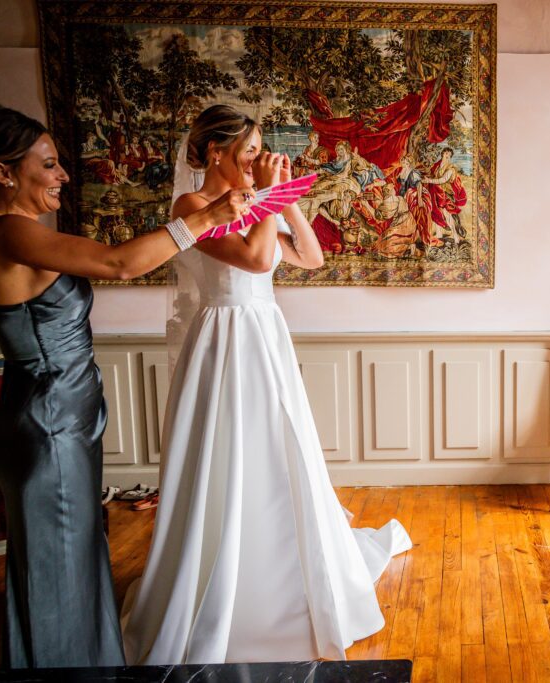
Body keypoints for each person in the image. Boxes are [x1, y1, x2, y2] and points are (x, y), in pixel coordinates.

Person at [120, 104, 412, 665]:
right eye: (249, 150)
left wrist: (289, 202)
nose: (258, 160)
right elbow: (255, 260)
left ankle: (292, 577)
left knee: (280, 450)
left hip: (264, 335)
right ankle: (218, 585)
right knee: (224, 453)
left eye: (258, 150)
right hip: (222, 337)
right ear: (215, 153)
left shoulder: (257, 204)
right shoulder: (192, 206)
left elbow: (312, 257)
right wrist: (270, 199)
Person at [0, 103, 249, 668]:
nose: (64, 176)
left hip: (63, 417)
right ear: (2, 173)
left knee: (75, 556)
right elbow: (122, 263)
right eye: (49, 165)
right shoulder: (9, 235)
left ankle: (88, 663)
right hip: (47, 422)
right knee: (59, 567)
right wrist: (205, 217)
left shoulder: (21, 234)